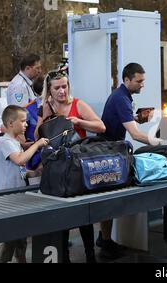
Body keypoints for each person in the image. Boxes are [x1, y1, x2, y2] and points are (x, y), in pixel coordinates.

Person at [37, 69, 106, 263]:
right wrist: (47, 116)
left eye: (64, 86)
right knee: (62, 216)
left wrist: (79, 122)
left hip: (77, 165)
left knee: (84, 214)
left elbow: (101, 127)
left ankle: (90, 256)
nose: (62, 91)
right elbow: (37, 137)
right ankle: (64, 257)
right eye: (57, 88)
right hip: (56, 167)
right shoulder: (46, 107)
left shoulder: (78, 104)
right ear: (49, 90)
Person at [97, 63, 163, 259]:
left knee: (109, 199)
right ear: (126, 80)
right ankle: (106, 240)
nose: (142, 85)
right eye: (139, 81)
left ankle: (105, 238)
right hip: (108, 153)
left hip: (112, 150)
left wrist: (136, 118)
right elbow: (134, 134)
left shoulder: (123, 97)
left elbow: (127, 122)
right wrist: (162, 143)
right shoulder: (121, 98)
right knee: (108, 200)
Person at [0, 105, 49, 263]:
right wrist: (36, 144)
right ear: (11, 123)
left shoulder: (14, 143)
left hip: (17, 197)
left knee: (20, 237)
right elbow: (19, 160)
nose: (26, 124)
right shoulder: (5, 142)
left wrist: (34, 173)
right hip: (7, 199)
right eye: (23, 121)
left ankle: (21, 259)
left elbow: (17, 170)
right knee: (8, 238)